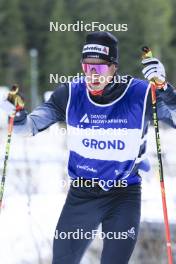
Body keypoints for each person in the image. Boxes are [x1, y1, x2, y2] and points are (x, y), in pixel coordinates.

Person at [0, 31, 176, 264]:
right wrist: (18, 117)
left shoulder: (140, 94)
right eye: (87, 67)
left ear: (114, 67)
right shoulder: (70, 94)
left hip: (124, 194)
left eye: (100, 68)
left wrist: (166, 91)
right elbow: (29, 127)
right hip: (82, 194)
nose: (92, 75)